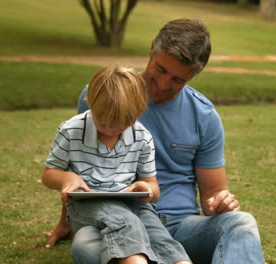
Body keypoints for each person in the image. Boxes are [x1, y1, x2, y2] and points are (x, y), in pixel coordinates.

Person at [44, 18, 266, 264]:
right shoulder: (103, 96)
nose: (161, 85)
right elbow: (79, 163)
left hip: (178, 227)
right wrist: (65, 221)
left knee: (242, 223)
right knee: (86, 245)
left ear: (192, 76)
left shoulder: (204, 116)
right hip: (111, 222)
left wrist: (220, 202)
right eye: (160, 70)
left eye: (177, 80)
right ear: (151, 49)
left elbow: (213, 193)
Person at [42, 65, 191, 264]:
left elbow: (153, 187)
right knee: (125, 222)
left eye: (123, 124)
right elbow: (48, 175)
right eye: (103, 123)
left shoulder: (142, 136)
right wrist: (66, 177)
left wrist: (147, 189)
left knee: (158, 233)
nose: (112, 130)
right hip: (88, 204)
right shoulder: (71, 131)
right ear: (91, 103)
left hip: (132, 203)